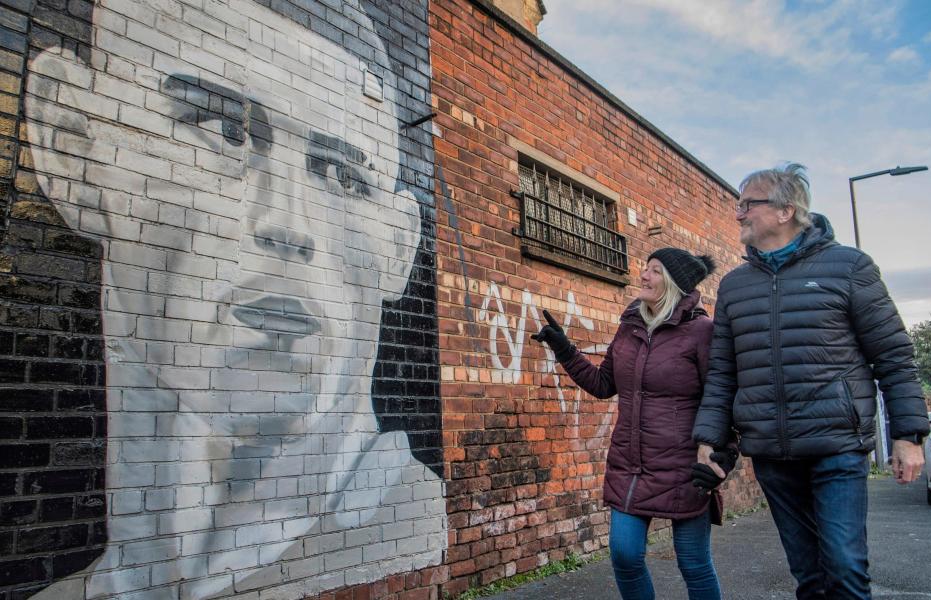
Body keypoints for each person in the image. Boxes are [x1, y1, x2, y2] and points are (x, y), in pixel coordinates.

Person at [23, 0, 444, 597]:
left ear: (400, 246)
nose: (288, 224)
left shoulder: (416, 531)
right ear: (69, 141)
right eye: (223, 130)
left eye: (341, 175)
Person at [692, 163, 930, 600]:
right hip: (772, 452)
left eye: (748, 204)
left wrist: (908, 435)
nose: (738, 214)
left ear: (785, 210)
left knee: (844, 568)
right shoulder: (735, 285)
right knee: (808, 575)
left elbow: (893, 356)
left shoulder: (849, 267)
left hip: (836, 445)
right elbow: (724, 370)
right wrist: (710, 437)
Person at [533, 247, 726, 600]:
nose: (643, 276)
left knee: (693, 563)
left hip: (685, 467)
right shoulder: (629, 328)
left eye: (653, 270)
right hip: (631, 466)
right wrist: (564, 349)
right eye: (645, 268)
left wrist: (721, 453)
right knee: (624, 554)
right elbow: (604, 384)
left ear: (673, 283)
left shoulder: (702, 332)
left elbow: (720, 397)